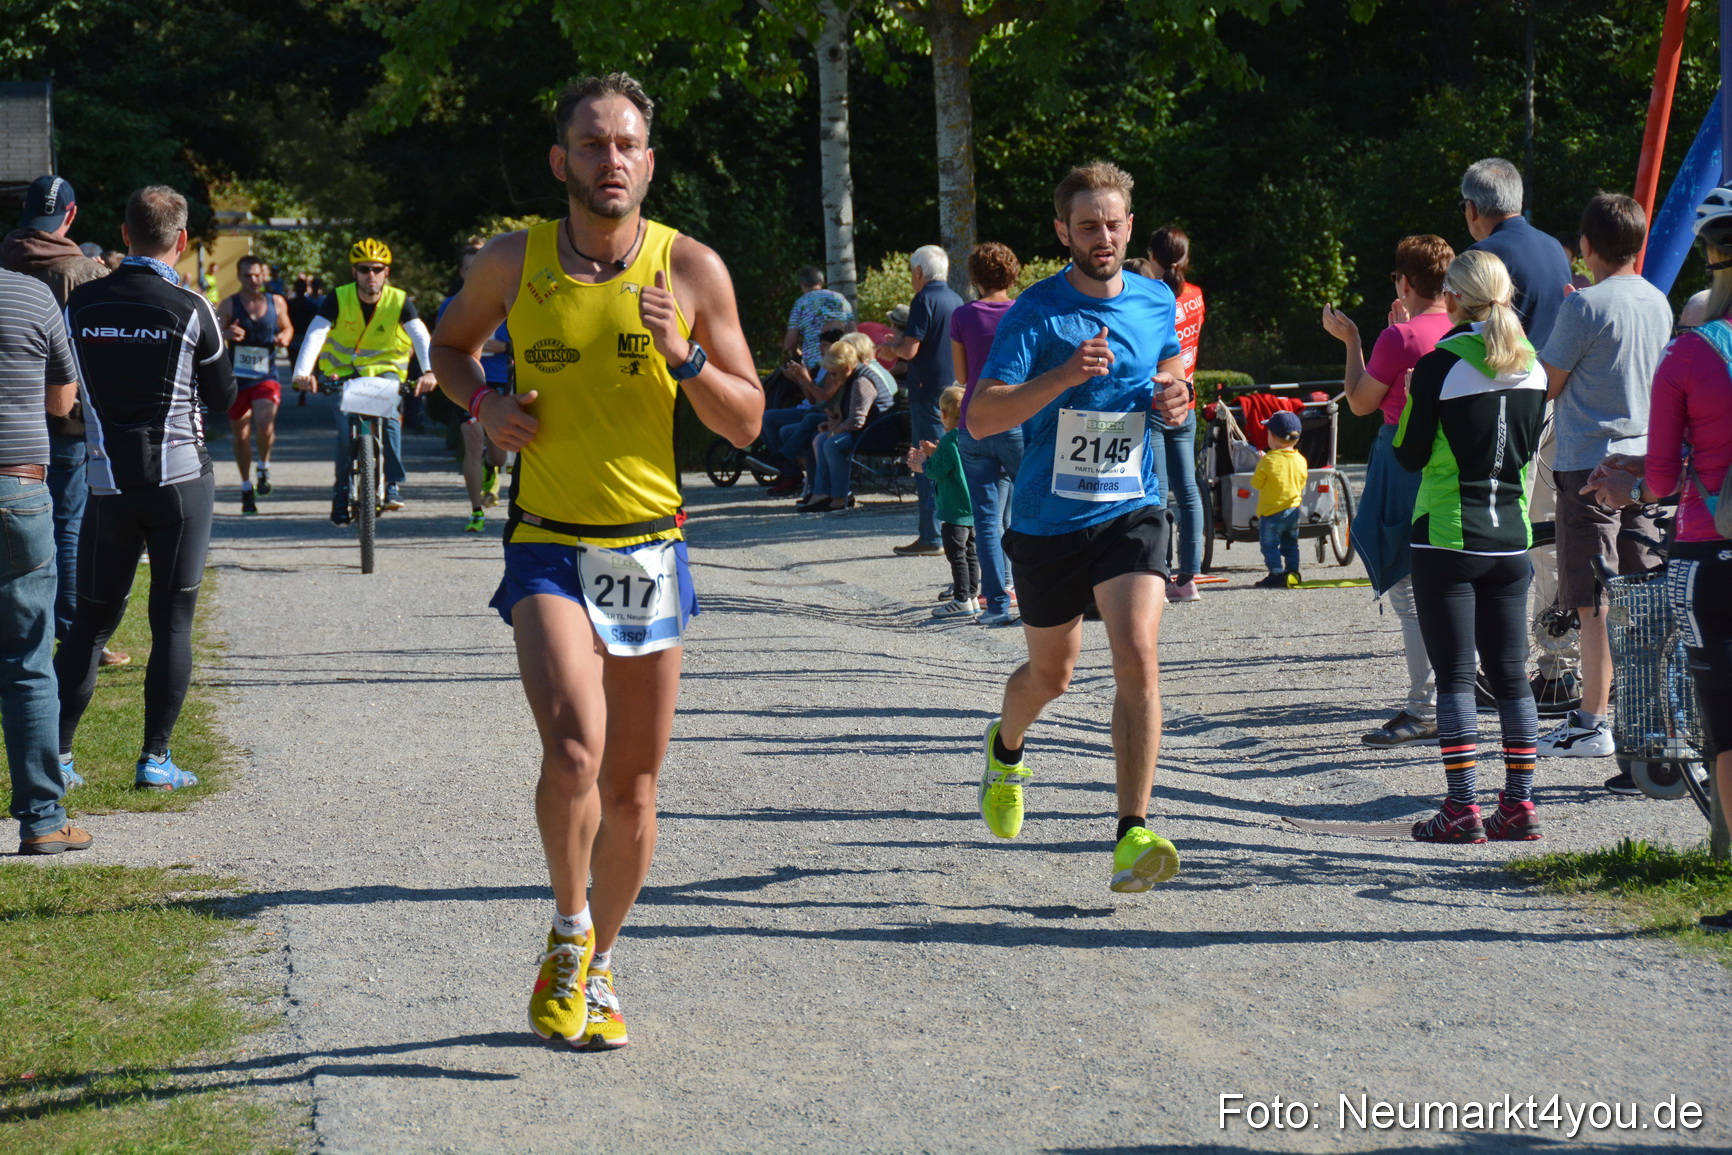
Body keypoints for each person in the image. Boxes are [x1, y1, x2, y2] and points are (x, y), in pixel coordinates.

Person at [429, 73, 763, 1050]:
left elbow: (744, 422)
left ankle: (601, 964)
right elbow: (453, 349)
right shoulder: (511, 260)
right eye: (591, 144)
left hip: (650, 544)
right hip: (546, 541)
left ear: (648, 163)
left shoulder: (690, 270)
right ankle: (569, 930)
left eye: (625, 146)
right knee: (573, 748)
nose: (609, 160)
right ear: (560, 160)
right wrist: (484, 406)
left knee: (632, 786)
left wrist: (687, 359)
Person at [966, 161, 1192, 891]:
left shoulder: (1157, 301)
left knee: (1137, 651)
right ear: (1063, 230)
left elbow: (1167, 381)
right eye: (1089, 225)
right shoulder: (1036, 313)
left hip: (1131, 506)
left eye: (1115, 223)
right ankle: (1006, 749)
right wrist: (1063, 375)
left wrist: (1175, 401)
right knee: (1051, 674)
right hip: (1046, 521)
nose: (1104, 236)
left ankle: (1133, 830)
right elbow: (982, 414)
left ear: (1130, 226)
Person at [1581, 186, 1732, 929]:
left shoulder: (1692, 353)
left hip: (1714, 555)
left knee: (1725, 727)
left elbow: (1666, 480)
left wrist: (1627, 475)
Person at [57, 185, 236, 792]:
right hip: (180, 484)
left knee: (90, 622)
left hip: (106, 482)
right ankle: (155, 759)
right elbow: (223, 400)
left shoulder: (80, 304)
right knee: (173, 620)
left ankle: (56, 758)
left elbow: (62, 389)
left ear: (125, 232)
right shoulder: (192, 307)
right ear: (181, 241)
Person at [1392, 250, 1547, 843]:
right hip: (1512, 539)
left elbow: (1408, 454)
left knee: (1456, 679)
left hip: (1447, 536)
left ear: (1453, 299)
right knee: (1511, 676)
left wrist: (1411, 393)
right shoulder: (1533, 366)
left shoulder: (1440, 365)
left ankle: (1462, 808)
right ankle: (1520, 805)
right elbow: (1528, 452)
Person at [1535, 193, 1674, 786]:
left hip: (1588, 465)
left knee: (1592, 598)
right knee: (1644, 597)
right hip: (1648, 463)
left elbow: (1547, 384)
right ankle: (1650, 727)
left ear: (1585, 247)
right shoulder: (1658, 299)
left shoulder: (1584, 307)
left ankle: (1592, 718)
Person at [1323, 234, 1455, 748]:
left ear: (1404, 281)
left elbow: (1359, 402)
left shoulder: (1399, 339)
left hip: (1405, 464)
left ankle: (1424, 706)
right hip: (1453, 466)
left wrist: (1354, 340)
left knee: (1410, 590)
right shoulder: (1464, 327)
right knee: (1452, 585)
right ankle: (1454, 693)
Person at [0, 175, 128, 669]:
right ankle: (72, 636)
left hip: (10, 417)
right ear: (70, 216)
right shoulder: (83, 271)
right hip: (68, 418)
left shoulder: (4, 259)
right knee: (67, 526)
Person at [0, 267, 86, 854]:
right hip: (18, 490)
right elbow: (62, 400)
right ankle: (43, 820)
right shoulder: (31, 294)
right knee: (28, 659)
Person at [291, 239, 438, 522]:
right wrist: (303, 372)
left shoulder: (399, 300)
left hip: (385, 371)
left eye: (377, 269)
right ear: (354, 272)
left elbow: (420, 336)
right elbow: (316, 334)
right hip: (343, 373)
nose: (371, 275)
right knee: (346, 432)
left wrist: (430, 371)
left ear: (387, 273)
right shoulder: (338, 297)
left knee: (390, 416)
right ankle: (341, 493)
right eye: (364, 269)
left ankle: (391, 485)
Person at [952, 242, 1023, 625]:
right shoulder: (1023, 311)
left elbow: (962, 377)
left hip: (975, 424)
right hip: (1016, 421)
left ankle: (996, 605)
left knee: (986, 519)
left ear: (975, 277)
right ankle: (1033, 597)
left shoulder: (963, 316)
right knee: (1030, 510)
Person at [879, 245, 963, 556]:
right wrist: (899, 343)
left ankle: (931, 535)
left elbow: (910, 350)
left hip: (928, 391)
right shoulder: (955, 299)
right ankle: (951, 530)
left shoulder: (924, 298)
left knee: (926, 459)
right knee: (949, 457)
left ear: (918, 272)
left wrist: (891, 349)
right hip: (953, 389)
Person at [1146, 226, 1207, 602]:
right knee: (1187, 489)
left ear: (1152, 257)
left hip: (1153, 399)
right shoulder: (1197, 295)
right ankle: (1189, 577)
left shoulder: (1149, 297)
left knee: (1155, 489)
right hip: (1186, 398)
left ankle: (1157, 571)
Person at [1459, 157, 1573, 349]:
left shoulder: (1481, 256)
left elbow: (1468, 333)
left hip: (1503, 374)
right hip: (1552, 374)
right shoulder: (1554, 246)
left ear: (1472, 209)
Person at [439, 244, 510, 532]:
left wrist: (507, 346)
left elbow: (530, 342)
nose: (474, 274)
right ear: (462, 272)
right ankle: (476, 511)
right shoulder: (451, 306)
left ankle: (490, 467)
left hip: (496, 378)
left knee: (498, 453)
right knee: (472, 438)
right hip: (466, 381)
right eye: (469, 269)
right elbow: (441, 347)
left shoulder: (508, 302)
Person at [216, 255, 292, 514]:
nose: (253, 279)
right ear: (239, 277)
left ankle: (264, 466)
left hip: (265, 375)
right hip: (237, 378)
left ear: (264, 276)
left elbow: (288, 328)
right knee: (241, 435)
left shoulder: (276, 302)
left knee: (264, 423)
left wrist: (284, 336)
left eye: (257, 274)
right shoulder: (229, 304)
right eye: (248, 275)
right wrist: (225, 333)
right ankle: (246, 486)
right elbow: (212, 333)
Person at [797, 333, 891, 513]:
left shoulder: (861, 381)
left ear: (847, 368)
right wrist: (833, 423)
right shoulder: (853, 377)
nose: (833, 377)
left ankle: (840, 497)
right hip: (867, 430)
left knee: (831, 443)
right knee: (821, 439)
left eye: (834, 373)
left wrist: (836, 430)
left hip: (877, 434)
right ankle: (823, 492)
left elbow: (856, 421)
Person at [908, 384, 978, 616]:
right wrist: (934, 452)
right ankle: (973, 595)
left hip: (953, 508)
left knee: (956, 555)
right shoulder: (970, 434)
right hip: (972, 507)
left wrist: (923, 465)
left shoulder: (949, 440)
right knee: (971, 554)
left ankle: (961, 599)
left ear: (944, 414)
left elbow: (938, 471)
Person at [1250, 410, 1306, 588]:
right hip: (1293, 511)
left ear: (1272, 438)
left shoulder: (1268, 461)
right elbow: (1302, 481)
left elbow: (1256, 484)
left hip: (1271, 512)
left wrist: (1262, 462)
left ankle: (1276, 573)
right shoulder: (1301, 460)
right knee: (1291, 544)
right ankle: (1292, 571)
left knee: (1270, 546)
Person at [782, 265, 853, 369]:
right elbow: (853, 332)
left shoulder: (800, 304)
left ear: (803, 285)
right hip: (842, 360)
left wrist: (794, 354)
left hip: (815, 364)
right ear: (821, 282)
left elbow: (790, 344)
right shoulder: (840, 298)